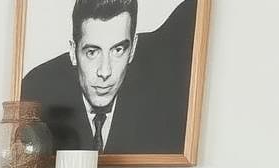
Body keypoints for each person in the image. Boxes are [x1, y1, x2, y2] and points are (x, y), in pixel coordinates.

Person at [22, 0, 194, 156]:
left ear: (133, 49)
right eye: (92, 52)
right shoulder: (34, 93)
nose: (105, 72)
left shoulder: (161, 101)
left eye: (118, 50)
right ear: (73, 53)